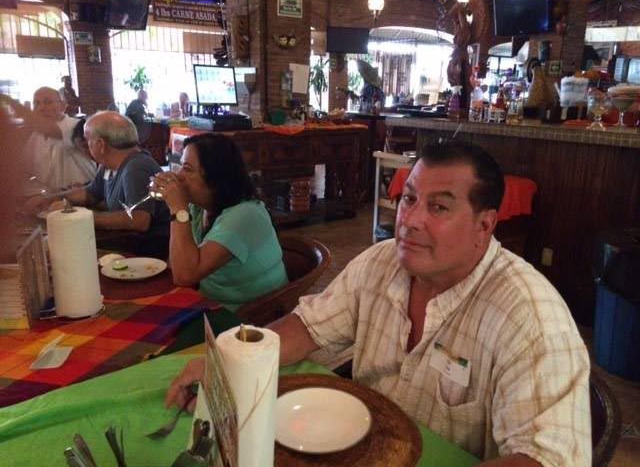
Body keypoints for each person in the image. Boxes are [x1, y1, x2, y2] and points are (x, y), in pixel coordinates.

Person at [167, 140, 591, 466]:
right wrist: (230, 365)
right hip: (357, 448)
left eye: (439, 207)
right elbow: (309, 326)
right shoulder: (381, 262)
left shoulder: (530, 316)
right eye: (409, 198)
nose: (411, 220)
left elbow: (546, 458)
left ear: (485, 224)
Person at [150, 133, 288, 310]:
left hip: (251, 315)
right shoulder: (199, 207)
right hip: (208, 303)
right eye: (181, 166)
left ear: (216, 177)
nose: (179, 176)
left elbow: (184, 276)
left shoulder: (245, 215)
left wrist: (178, 210)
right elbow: (176, 264)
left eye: (188, 169)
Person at [27, 111, 170, 259]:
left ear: (101, 145)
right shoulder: (108, 165)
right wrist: (49, 199)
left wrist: (79, 216)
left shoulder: (136, 167)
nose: (87, 146)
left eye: (88, 140)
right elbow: (89, 194)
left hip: (147, 252)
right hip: (126, 243)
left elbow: (139, 220)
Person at [0, 88, 96, 191]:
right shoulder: (34, 136)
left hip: (85, 194)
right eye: (36, 103)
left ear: (63, 105)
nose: (41, 108)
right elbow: (24, 170)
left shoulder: (77, 125)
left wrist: (11, 103)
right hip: (51, 197)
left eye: (47, 102)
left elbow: (51, 130)